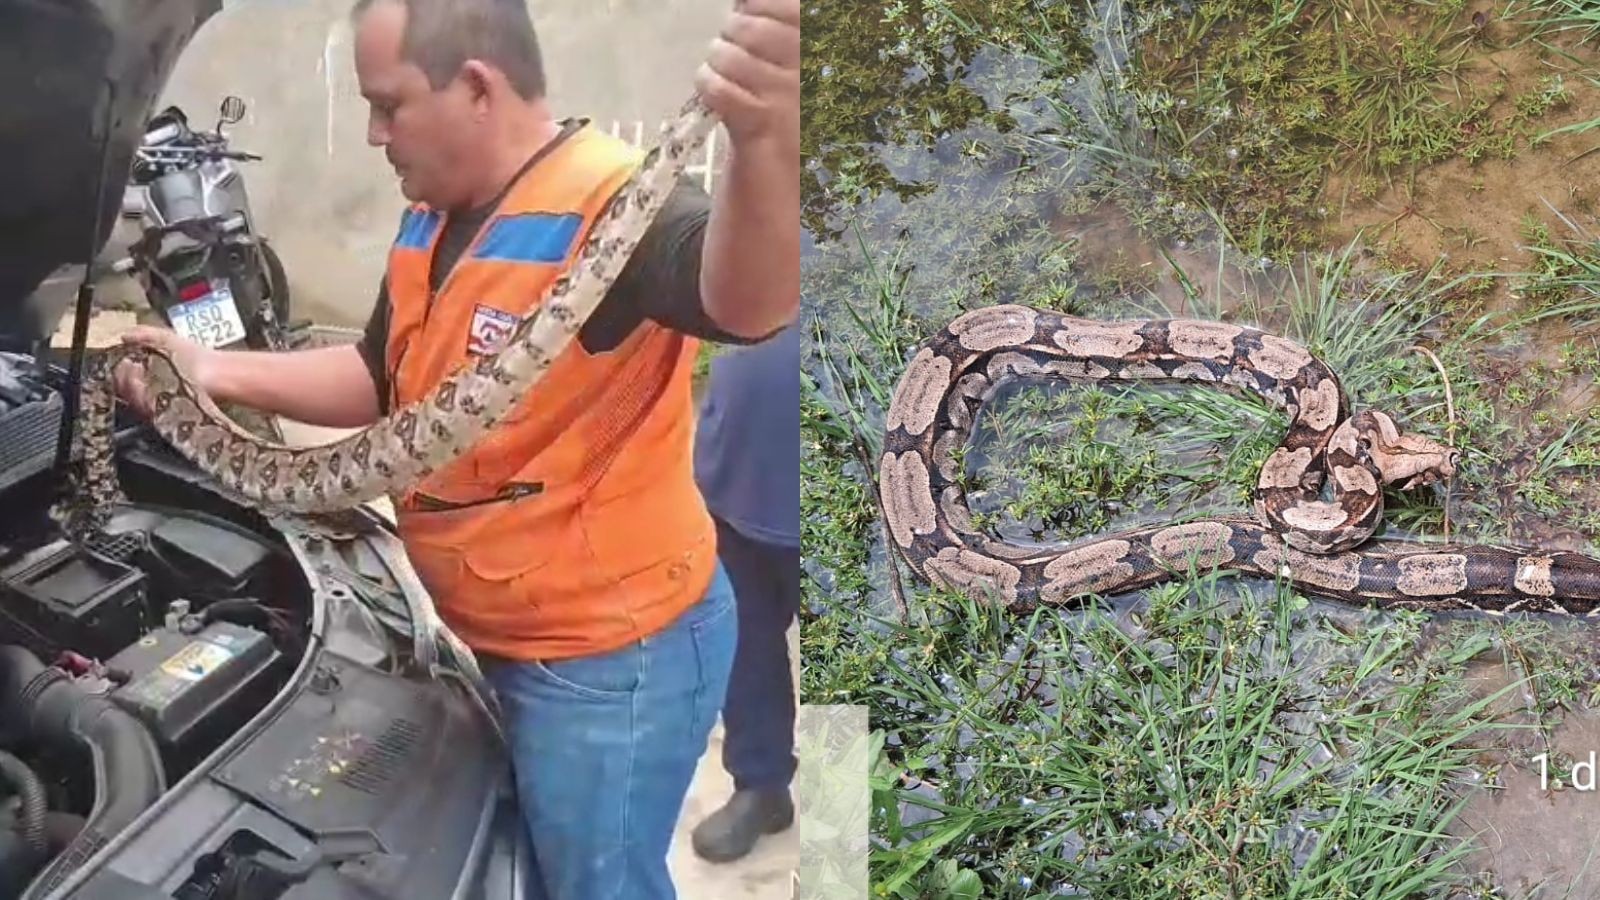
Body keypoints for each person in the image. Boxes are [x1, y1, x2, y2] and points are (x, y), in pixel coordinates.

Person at [113, 0, 799, 897]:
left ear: (475, 87)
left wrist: (764, 149)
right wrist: (214, 371)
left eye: (388, 104)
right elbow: (380, 376)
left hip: (608, 658)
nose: (371, 133)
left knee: (596, 883)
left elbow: (745, 303)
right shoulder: (432, 216)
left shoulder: (621, 200)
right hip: (495, 631)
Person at [688, 323, 800, 863]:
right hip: (729, 483)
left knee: (845, 665)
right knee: (742, 650)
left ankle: (849, 822)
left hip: (819, 498)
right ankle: (761, 786)